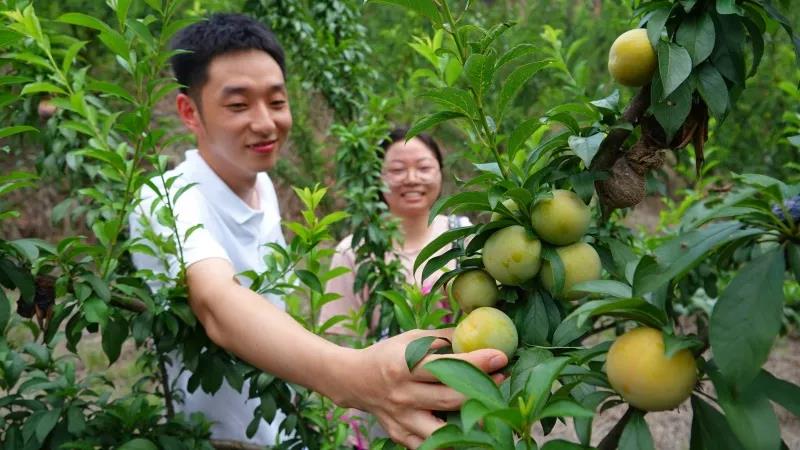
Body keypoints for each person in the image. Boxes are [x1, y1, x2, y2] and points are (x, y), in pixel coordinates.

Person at [127, 13, 506, 450]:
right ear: (189, 111)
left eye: (276, 100)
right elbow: (216, 300)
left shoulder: (262, 186)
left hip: (286, 427)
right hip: (220, 439)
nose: (266, 123)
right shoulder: (171, 197)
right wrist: (354, 376)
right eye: (237, 105)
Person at [321, 128, 469, 333]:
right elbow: (343, 341)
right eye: (397, 170)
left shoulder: (465, 237)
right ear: (377, 178)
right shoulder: (353, 252)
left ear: (440, 172)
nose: (412, 178)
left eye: (424, 168)